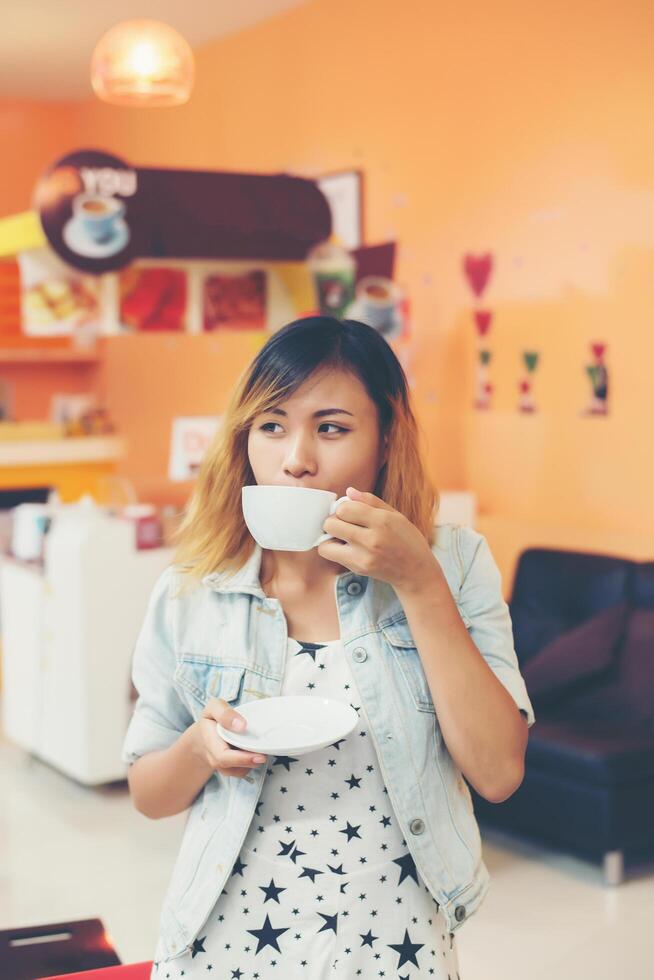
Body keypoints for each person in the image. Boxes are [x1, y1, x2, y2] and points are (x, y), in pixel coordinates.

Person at [123, 315, 535, 978]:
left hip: (397, 947)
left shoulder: (454, 564)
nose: (296, 459)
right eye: (272, 425)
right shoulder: (190, 591)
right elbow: (148, 794)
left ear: (386, 440)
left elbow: (499, 773)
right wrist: (200, 747)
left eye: (332, 427)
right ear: (244, 441)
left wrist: (418, 583)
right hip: (229, 944)